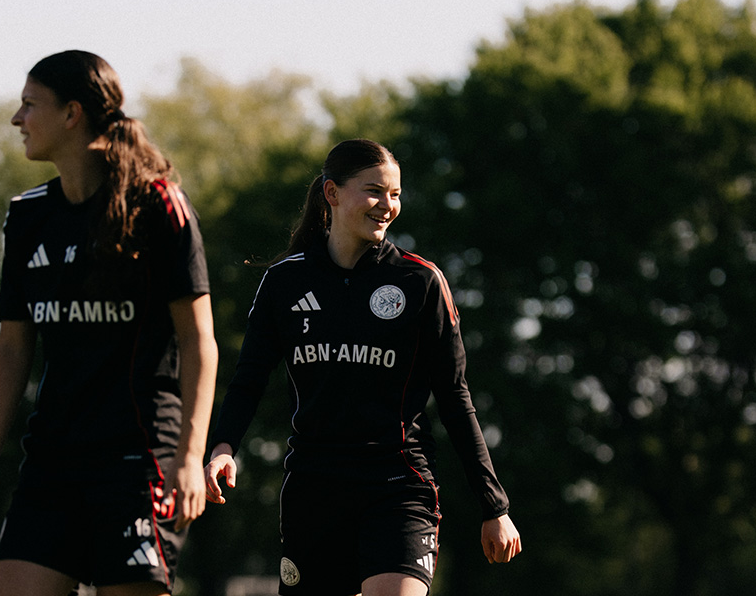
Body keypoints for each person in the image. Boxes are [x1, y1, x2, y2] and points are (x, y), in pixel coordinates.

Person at [0, 50, 218, 596]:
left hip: (140, 462)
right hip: (52, 463)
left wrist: (189, 456)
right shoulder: (28, 215)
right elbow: (12, 346)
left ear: (72, 114)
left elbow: (198, 339)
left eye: (29, 105)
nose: (17, 119)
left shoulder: (158, 206)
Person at [204, 139, 521, 596]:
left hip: (398, 485)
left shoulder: (420, 281)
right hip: (314, 489)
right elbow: (248, 379)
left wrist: (494, 506)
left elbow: (455, 397)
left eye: (395, 194)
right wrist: (223, 448)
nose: (387, 205)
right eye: (374, 191)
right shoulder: (285, 281)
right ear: (332, 193)